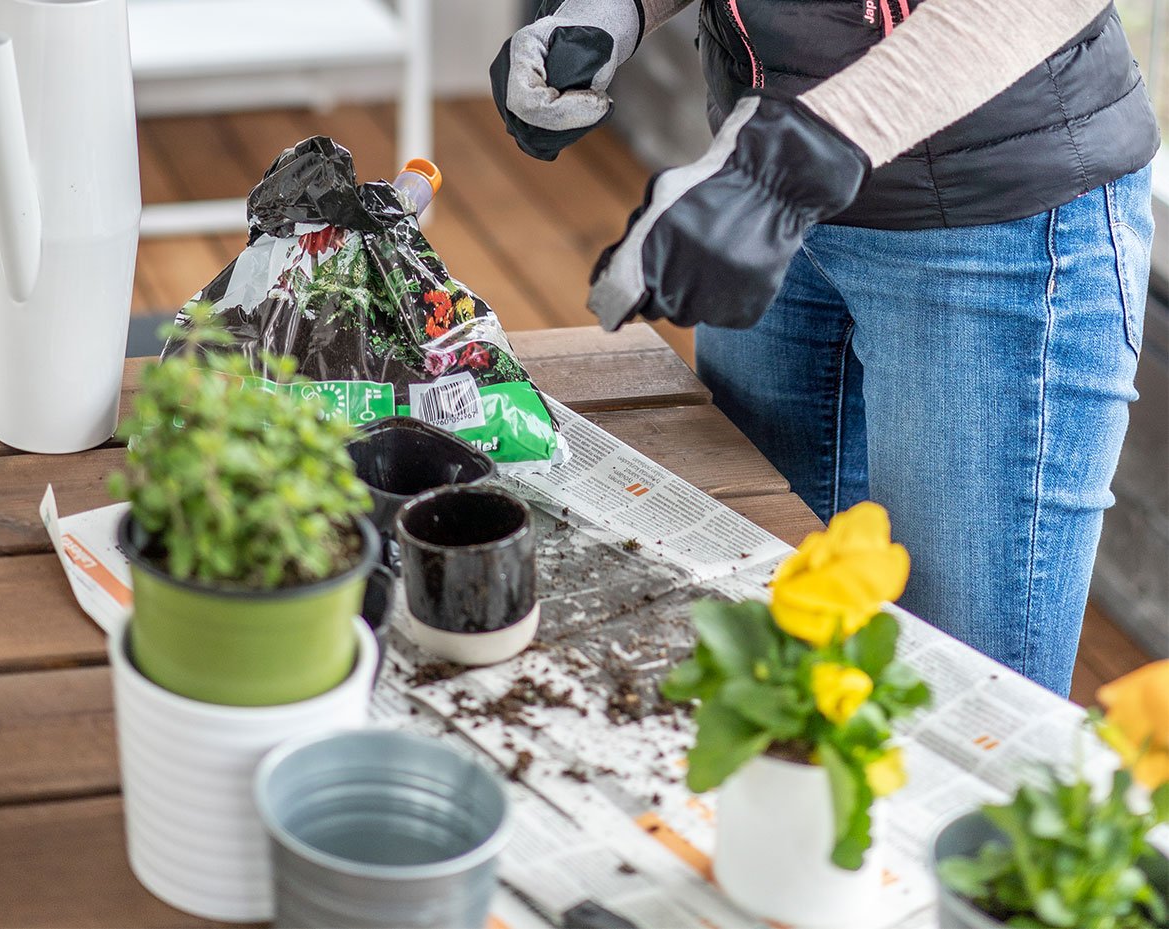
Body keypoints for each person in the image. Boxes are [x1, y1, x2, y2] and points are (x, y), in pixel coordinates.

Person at [491, 0, 1159, 696]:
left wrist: (789, 165)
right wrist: (614, 11)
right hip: (785, 185)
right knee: (765, 652)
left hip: (988, 222)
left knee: (960, 701)